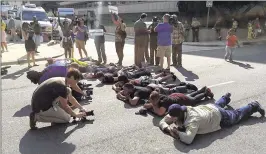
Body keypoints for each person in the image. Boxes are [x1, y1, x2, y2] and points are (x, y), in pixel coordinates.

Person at [159, 93, 265, 144]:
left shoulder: (192, 121)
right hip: (210, 108)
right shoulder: (183, 109)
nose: (170, 118)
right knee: (217, 105)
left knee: (237, 115)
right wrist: (167, 129)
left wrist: (177, 133)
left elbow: (188, 139)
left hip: (220, 117)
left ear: (178, 116)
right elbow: (162, 121)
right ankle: (225, 98)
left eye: (173, 118)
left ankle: (253, 105)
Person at [143, 86, 213, 116]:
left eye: (152, 101)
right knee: (189, 96)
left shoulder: (164, 101)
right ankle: (201, 90)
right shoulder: (156, 96)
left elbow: (160, 113)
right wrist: (152, 103)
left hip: (181, 100)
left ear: (157, 99)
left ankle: (205, 93)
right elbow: (145, 105)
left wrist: (153, 105)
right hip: (176, 95)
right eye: (150, 100)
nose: (150, 101)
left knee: (193, 101)